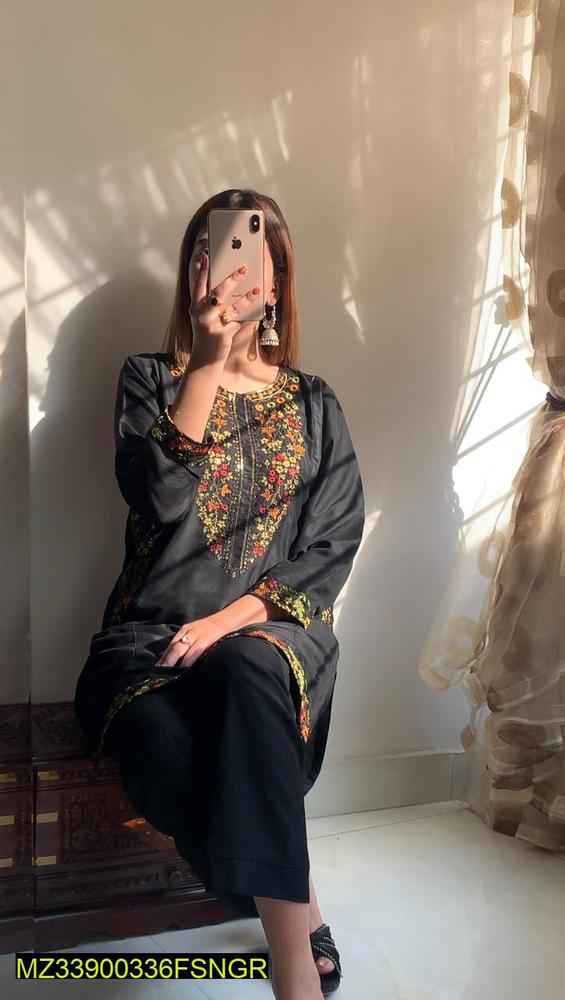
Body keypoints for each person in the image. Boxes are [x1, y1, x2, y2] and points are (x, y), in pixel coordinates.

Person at [73, 188, 365, 1000]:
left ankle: (290, 972)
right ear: (190, 269)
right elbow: (158, 502)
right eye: (208, 251)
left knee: (243, 668)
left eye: (245, 254)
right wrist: (203, 364)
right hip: (150, 641)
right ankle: (299, 904)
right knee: (164, 749)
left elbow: (333, 542)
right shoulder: (147, 379)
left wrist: (229, 620)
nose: (224, 269)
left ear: (276, 283)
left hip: (269, 634)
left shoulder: (312, 403)